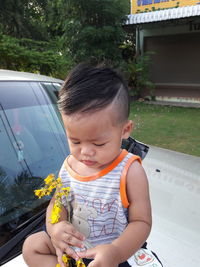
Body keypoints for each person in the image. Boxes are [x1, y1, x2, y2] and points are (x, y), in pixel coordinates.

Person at [22, 64, 162, 267]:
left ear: (125, 130)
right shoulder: (69, 165)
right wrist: (55, 228)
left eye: (98, 143)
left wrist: (115, 252)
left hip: (112, 253)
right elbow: (57, 204)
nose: (85, 152)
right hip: (75, 248)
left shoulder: (130, 170)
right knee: (32, 246)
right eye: (75, 141)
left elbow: (141, 222)